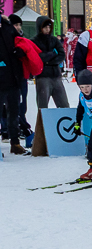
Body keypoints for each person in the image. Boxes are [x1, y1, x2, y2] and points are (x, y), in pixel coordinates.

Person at [1, 15, 42, 154]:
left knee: (14, 112)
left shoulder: (8, 27)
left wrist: (20, 52)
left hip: (13, 77)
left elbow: (18, 43)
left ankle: (15, 143)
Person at [32, 15, 69, 109]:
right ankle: (42, 123)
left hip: (56, 75)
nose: (48, 29)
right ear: (40, 27)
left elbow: (61, 54)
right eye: (45, 27)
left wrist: (49, 60)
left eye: (49, 27)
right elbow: (37, 58)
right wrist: (52, 54)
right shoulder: (34, 41)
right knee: (43, 107)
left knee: (64, 105)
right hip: (42, 77)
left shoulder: (54, 40)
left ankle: (65, 121)